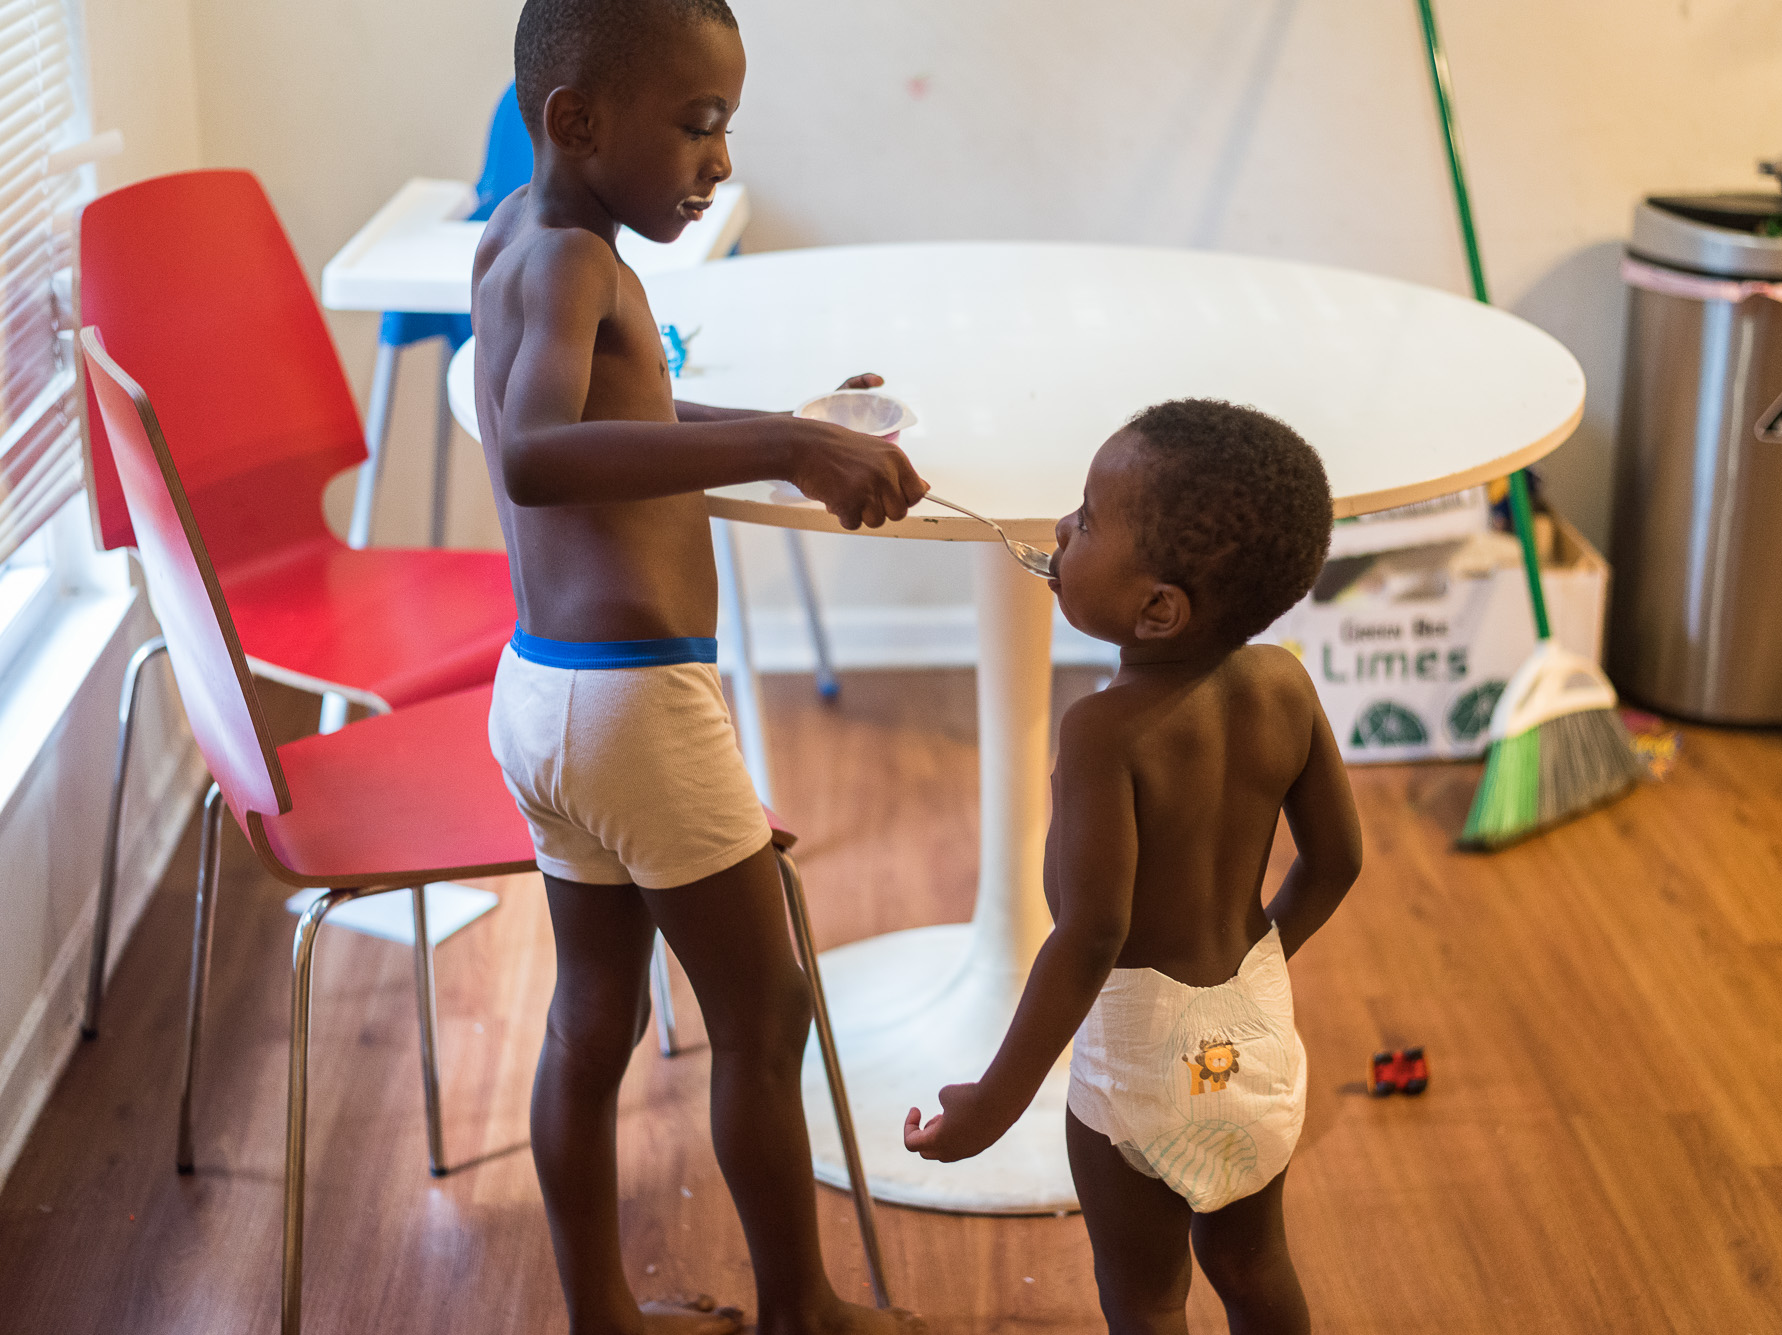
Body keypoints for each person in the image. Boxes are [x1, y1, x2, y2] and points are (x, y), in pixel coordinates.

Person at [471, 2, 930, 1332]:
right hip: (636, 707)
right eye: (697, 122)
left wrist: (796, 422)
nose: (719, 161)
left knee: (593, 1018)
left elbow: (620, 417)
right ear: (575, 120)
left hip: (545, 693)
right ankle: (803, 1309)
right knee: (766, 1006)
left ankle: (600, 1316)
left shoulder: (516, 240)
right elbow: (535, 453)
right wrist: (787, 451)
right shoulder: (577, 266)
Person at [904, 399, 1364, 1334]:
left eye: (1087, 517)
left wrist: (993, 1104)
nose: (1062, 530)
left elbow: (1090, 933)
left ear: (1158, 607)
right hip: (1257, 1034)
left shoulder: (1103, 732)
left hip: (1140, 1058)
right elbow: (1338, 861)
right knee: (1254, 1264)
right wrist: (1258, 971)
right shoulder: (1285, 684)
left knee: (1147, 1297)